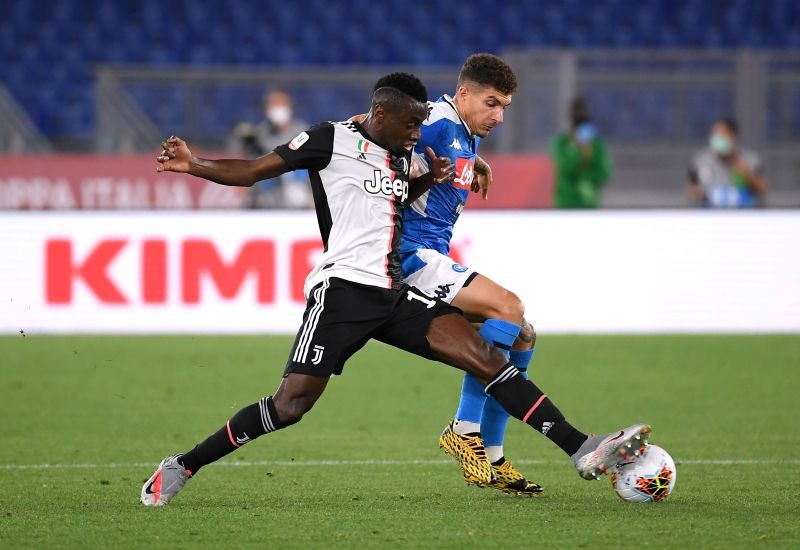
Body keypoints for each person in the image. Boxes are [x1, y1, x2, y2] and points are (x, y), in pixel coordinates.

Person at [140, 73, 650, 507]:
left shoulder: (403, 155)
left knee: (488, 357)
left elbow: (400, 196)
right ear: (380, 112)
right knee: (290, 406)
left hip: (392, 293)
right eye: (409, 125)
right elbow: (253, 172)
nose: (416, 134)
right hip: (341, 293)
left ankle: (582, 447)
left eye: (419, 125)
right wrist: (196, 164)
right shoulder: (329, 140)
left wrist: (440, 177)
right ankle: (184, 465)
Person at [367, 56, 541, 496]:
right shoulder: (437, 122)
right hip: (411, 257)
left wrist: (474, 165)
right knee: (508, 306)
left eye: (505, 107)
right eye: (492, 103)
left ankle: (495, 457)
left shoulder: (463, 132)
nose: (499, 116)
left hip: (433, 254)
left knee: (521, 334)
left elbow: (444, 161)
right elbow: (375, 137)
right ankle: (464, 430)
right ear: (464, 94)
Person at [230, 89, 311, 208]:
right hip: (264, 200)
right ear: (266, 108)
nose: (279, 109)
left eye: (282, 104)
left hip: (297, 199)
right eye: (274, 104)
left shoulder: (304, 133)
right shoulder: (258, 135)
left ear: (290, 107)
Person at [686, 118, 766, 208]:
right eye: (715, 134)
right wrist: (701, 196)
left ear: (733, 136)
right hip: (710, 216)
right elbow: (690, 189)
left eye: (722, 134)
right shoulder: (700, 161)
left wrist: (747, 174)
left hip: (742, 216)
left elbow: (762, 190)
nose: (718, 138)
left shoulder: (750, 160)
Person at [551, 97, 612, 208]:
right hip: (566, 205)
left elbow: (604, 173)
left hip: (588, 206)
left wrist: (586, 179)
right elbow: (565, 168)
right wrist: (575, 148)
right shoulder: (561, 143)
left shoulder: (596, 144)